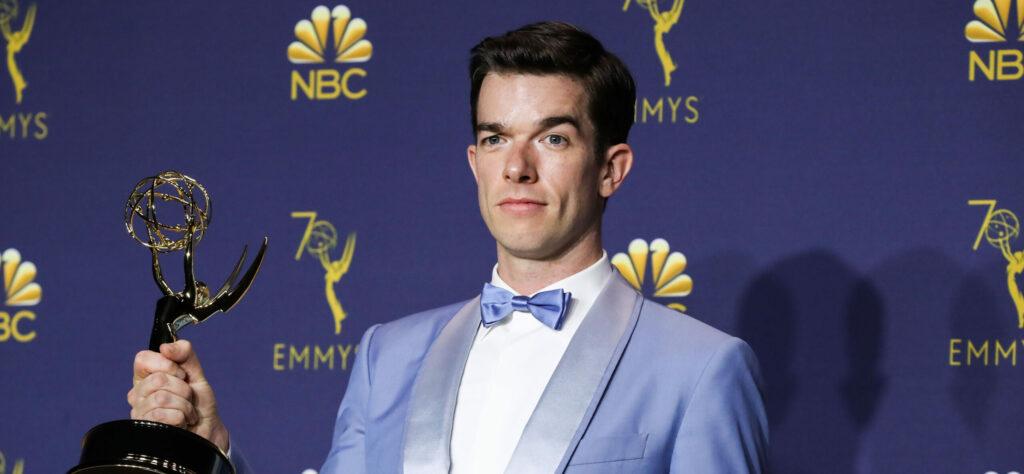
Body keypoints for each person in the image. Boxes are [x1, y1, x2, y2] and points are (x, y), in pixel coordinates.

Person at [129, 21, 769, 473]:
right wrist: (211, 450)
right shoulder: (389, 355)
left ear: (611, 168)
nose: (516, 167)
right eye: (495, 139)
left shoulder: (701, 371)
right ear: (474, 162)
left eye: (552, 139)